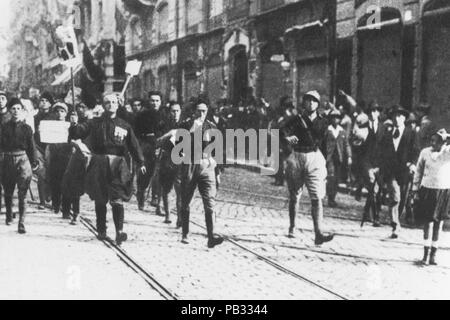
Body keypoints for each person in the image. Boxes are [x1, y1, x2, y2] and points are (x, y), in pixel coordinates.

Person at [69, 93, 146, 245]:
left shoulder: (124, 125)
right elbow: (78, 132)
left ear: (118, 105)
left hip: (118, 164)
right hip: (99, 163)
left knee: (117, 198)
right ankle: (101, 229)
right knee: (100, 198)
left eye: (113, 102)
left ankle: (119, 231)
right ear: (103, 105)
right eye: (107, 102)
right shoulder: (94, 123)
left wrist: (141, 162)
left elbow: (133, 145)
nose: (110, 105)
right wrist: (74, 124)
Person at [281, 90, 334, 245]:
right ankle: (292, 226)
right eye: (308, 100)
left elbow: (326, 141)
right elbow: (282, 131)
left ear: (318, 104)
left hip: (314, 157)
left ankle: (318, 233)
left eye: (314, 101)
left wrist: (325, 160)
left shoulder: (323, 121)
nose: (311, 103)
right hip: (297, 156)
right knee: (294, 195)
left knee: (317, 197)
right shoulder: (296, 119)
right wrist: (288, 138)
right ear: (303, 102)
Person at [175, 100, 224, 248]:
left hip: (206, 165)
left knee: (209, 202)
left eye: (204, 111)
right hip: (189, 164)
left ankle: (211, 236)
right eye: (199, 111)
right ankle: (185, 233)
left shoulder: (212, 127)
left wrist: (217, 171)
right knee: (186, 200)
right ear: (193, 111)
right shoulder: (185, 125)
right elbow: (178, 145)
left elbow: (218, 151)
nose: (201, 114)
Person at [375, 105, 418, 239]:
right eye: (394, 116)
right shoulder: (387, 133)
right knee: (395, 197)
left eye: (400, 116)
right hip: (390, 171)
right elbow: (380, 152)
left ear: (404, 118)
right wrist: (378, 167)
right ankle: (395, 225)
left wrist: (412, 163)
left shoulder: (411, 133)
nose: (397, 118)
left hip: (405, 171)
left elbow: (416, 150)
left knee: (403, 199)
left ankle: (397, 221)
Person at [412, 129, 450, 265]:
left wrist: (447, 136)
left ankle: (434, 254)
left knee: (438, 223)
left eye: (437, 141)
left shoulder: (447, 153)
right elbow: (418, 171)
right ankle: (425, 254)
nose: (433, 143)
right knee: (427, 222)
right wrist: (415, 188)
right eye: (432, 140)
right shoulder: (425, 152)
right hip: (427, 190)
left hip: (443, 191)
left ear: (443, 142)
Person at [2, 98, 39, 233]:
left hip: (23, 160)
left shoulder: (27, 129)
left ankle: (21, 223)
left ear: (22, 111)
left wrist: (34, 162)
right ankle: (8, 215)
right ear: (10, 111)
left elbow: (31, 147)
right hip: (6, 160)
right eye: (13, 109)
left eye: (18, 108)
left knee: (23, 193)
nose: (16, 111)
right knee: (8, 191)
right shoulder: (4, 128)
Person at [46, 103, 78, 220]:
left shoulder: (69, 125)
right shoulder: (50, 125)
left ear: (66, 113)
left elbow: (76, 136)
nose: (59, 113)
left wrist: (75, 124)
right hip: (54, 156)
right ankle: (56, 203)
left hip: (67, 156)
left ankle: (66, 209)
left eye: (62, 111)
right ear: (54, 113)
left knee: (67, 183)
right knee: (55, 181)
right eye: (57, 111)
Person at [134, 91, 164, 212]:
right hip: (146, 147)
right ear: (148, 101)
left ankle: (156, 200)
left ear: (161, 102)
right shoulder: (142, 115)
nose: (155, 103)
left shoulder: (164, 115)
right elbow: (136, 133)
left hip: (160, 146)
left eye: (157, 101)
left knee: (159, 175)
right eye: (152, 100)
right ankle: (141, 195)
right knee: (145, 174)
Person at [156, 102, 183, 225]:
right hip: (167, 159)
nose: (175, 113)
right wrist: (169, 134)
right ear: (169, 112)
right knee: (166, 188)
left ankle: (180, 217)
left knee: (180, 189)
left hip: (181, 159)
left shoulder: (185, 125)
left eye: (177, 111)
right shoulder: (162, 125)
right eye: (173, 111)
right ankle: (167, 214)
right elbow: (157, 141)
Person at [325, 110, 352, 208]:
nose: (335, 119)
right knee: (331, 176)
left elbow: (347, 144)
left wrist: (349, 156)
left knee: (336, 179)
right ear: (330, 119)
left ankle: (333, 197)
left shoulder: (342, 132)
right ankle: (330, 198)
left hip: (339, 158)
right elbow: (321, 143)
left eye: (337, 118)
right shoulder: (327, 130)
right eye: (333, 117)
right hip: (329, 157)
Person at [34, 92, 54, 209]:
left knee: (51, 172)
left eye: (46, 101)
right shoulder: (35, 117)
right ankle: (42, 201)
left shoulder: (54, 117)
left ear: (50, 104)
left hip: (51, 147)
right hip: (38, 147)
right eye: (42, 100)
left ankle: (50, 193)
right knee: (41, 173)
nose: (43, 102)